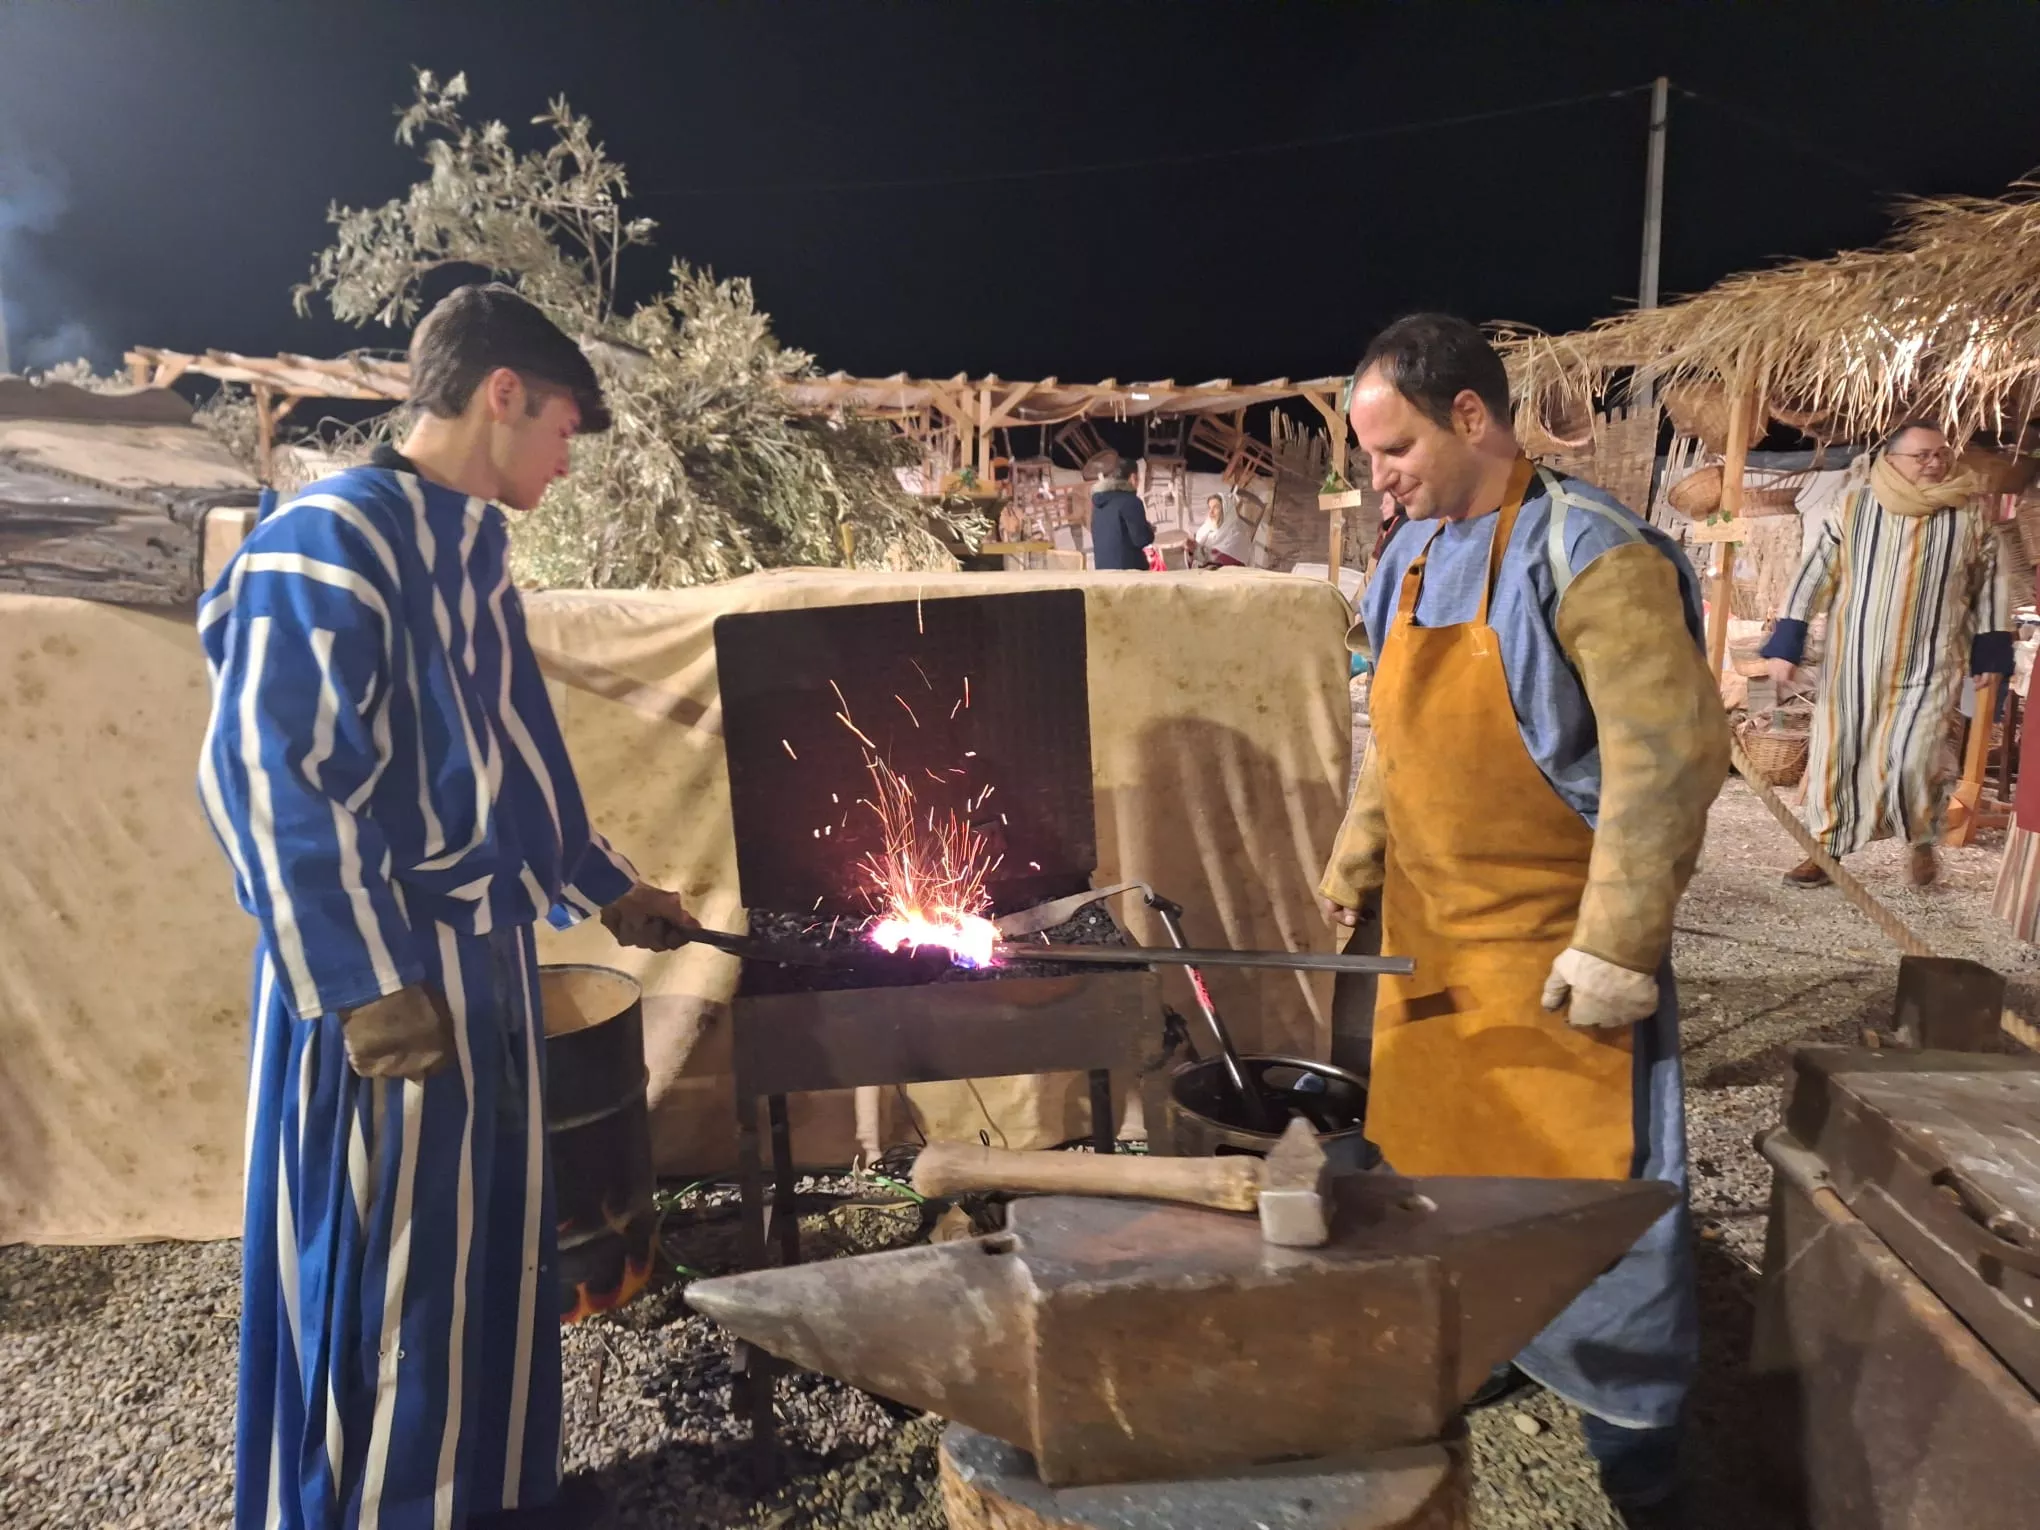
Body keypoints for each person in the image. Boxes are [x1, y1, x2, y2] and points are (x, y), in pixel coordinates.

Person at [198, 283, 699, 1530]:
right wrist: (369, 986)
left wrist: (612, 890)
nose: (568, 460)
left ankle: (484, 1499)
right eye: (565, 429)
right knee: (394, 1278)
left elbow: (513, 768)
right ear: (502, 395)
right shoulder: (330, 541)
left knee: (486, 1257)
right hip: (387, 982)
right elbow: (264, 775)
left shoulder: (469, 553)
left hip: (485, 968)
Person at [1317, 314, 1729, 1524]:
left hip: (1559, 955)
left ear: (1472, 418)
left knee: (1589, 1199)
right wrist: (1359, 854)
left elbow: (1668, 758)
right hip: (1440, 940)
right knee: (1444, 1173)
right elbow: (1395, 739)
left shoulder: (1587, 551)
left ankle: (1634, 1445)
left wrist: (1616, 945)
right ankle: (1487, 1341)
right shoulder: (1408, 557)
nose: (1378, 478)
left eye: (1392, 451)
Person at [1763, 421, 2011, 889]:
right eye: (1923, 456)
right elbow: (1816, 573)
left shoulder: (1970, 517)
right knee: (1839, 757)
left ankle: (1920, 839)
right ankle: (1823, 852)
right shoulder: (1854, 507)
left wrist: (1991, 653)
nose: (1936, 463)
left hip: (1931, 665)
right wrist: (1788, 641)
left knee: (1916, 758)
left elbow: (1990, 587)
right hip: (1854, 664)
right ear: (1892, 461)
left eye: (1941, 454)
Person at [1087, 453, 1155, 570]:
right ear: (1133, 478)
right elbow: (1141, 540)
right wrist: (1149, 530)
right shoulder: (1131, 501)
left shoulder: (1098, 502)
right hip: (1126, 571)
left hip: (1102, 569)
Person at [1193, 491, 1256, 568]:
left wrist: (1195, 549)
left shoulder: (1237, 536)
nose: (1210, 513)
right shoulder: (1206, 529)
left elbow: (1221, 563)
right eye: (1210, 508)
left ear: (1225, 510)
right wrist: (1191, 548)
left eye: (1216, 508)